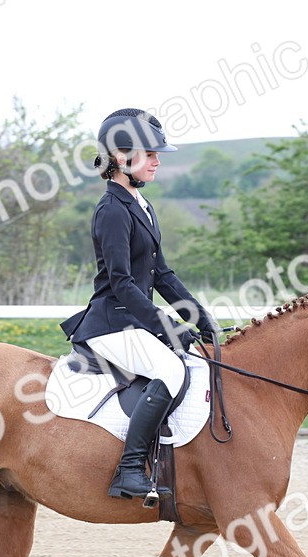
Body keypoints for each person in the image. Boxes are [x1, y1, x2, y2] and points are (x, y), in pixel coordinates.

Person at [60, 108, 220, 499]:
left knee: (191, 361)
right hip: (110, 322)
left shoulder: (141, 206)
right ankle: (129, 470)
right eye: (149, 153)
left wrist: (198, 317)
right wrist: (167, 325)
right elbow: (122, 282)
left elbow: (162, 275)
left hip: (131, 320)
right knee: (169, 370)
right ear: (120, 157)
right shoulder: (111, 210)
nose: (157, 160)